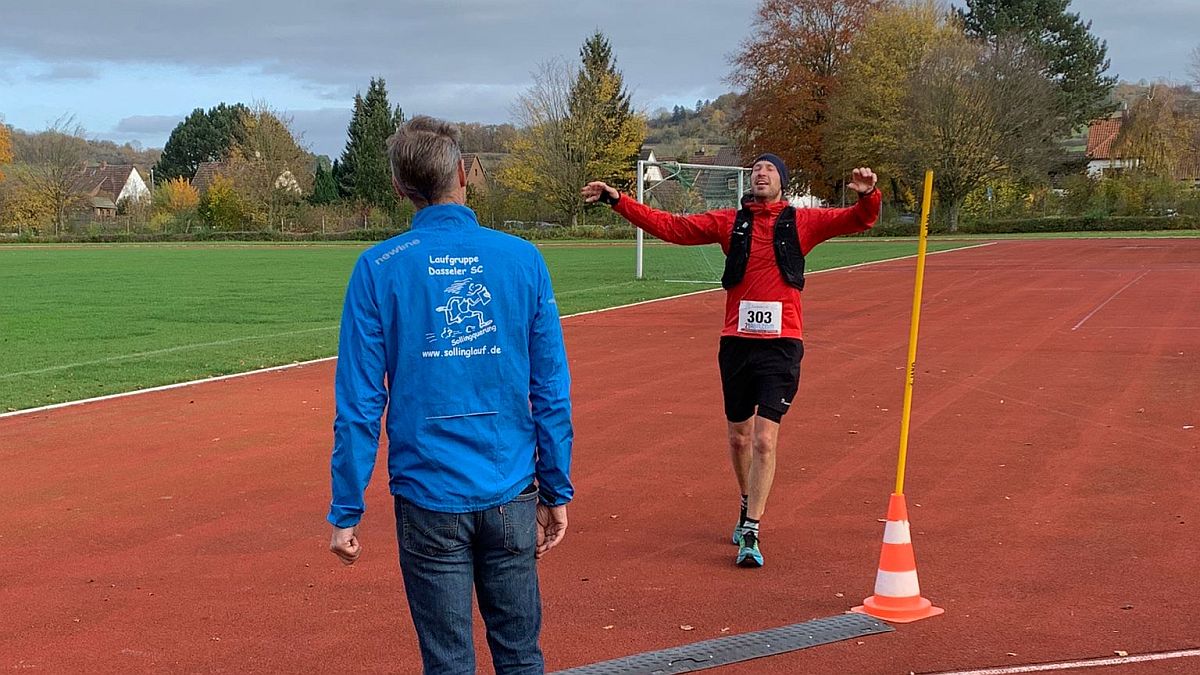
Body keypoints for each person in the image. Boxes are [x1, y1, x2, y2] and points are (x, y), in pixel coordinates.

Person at [329, 115, 573, 674]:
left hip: (428, 495)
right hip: (509, 486)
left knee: (448, 662)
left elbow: (361, 404)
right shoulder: (523, 259)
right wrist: (556, 487)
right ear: (463, 173)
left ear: (399, 188)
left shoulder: (376, 268)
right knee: (519, 655)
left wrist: (347, 508)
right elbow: (551, 391)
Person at [581, 156, 879, 568]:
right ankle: (745, 501)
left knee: (764, 438)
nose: (761, 174)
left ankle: (752, 529)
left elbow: (858, 220)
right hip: (736, 344)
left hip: (782, 345)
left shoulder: (803, 221)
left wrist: (869, 195)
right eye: (756, 169)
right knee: (739, 438)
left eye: (770, 170)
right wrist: (618, 200)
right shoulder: (728, 222)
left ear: (782, 182)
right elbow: (671, 227)